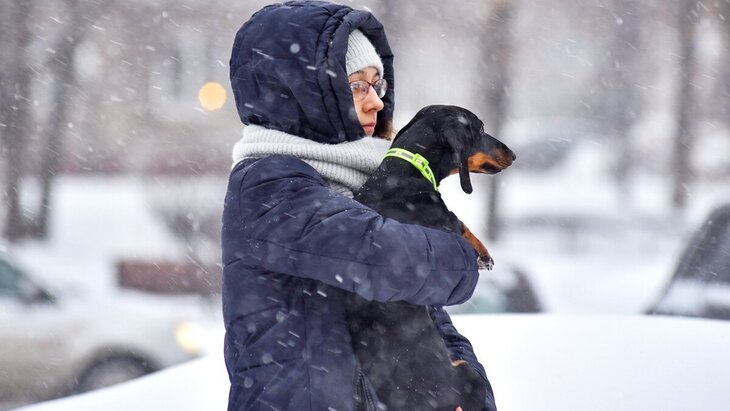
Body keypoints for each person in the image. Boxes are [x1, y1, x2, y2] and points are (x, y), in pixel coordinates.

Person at [221, 1, 496, 410]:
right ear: (304, 93)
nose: (376, 103)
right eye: (355, 86)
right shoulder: (268, 186)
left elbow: (426, 320)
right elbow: (382, 260)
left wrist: (468, 388)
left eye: (376, 84)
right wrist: (461, 252)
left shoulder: (368, 183)